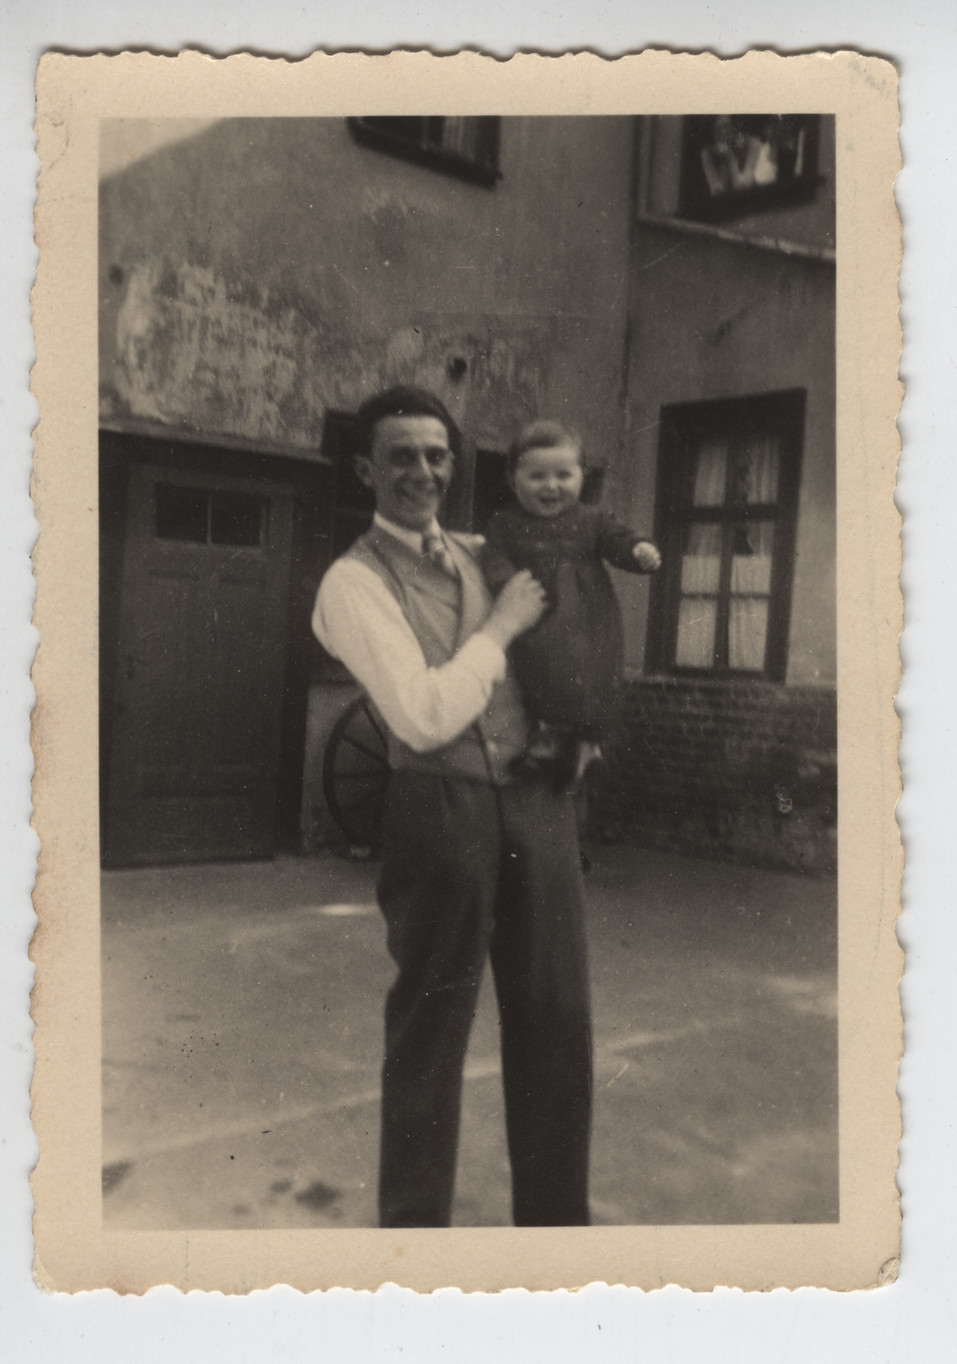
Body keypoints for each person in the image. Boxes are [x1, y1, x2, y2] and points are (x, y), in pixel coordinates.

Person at [311, 386, 593, 1228]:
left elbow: (569, 637)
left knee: (557, 1026)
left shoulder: (481, 551)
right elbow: (423, 715)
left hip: (537, 804)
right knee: (431, 1037)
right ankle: (414, 1254)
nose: (423, 472)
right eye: (400, 456)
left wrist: (585, 725)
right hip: (441, 813)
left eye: (437, 455)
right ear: (366, 469)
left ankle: (557, 1242)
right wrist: (499, 629)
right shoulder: (352, 583)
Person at [481, 420, 661, 790]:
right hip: (536, 614)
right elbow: (493, 558)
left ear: (582, 477)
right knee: (537, 677)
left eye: (563, 475)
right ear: (512, 480)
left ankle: (588, 746)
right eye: (537, 476)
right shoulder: (505, 524)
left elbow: (617, 540)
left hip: (588, 623)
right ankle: (547, 740)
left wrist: (637, 551)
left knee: (591, 683)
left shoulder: (593, 520)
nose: (551, 486)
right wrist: (508, 583)